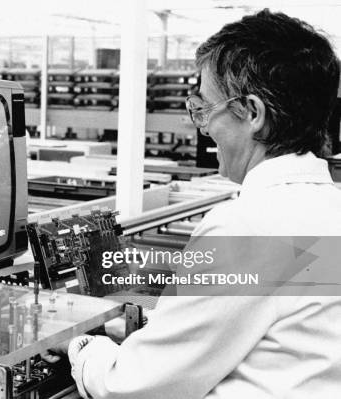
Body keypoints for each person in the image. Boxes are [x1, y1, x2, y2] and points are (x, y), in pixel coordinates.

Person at [50, 9, 341, 399]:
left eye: (204, 108)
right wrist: (158, 327)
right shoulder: (327, 207)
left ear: (253, 113)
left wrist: (80, 345)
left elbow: (132, 386)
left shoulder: (246, 229)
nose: (201, 126)